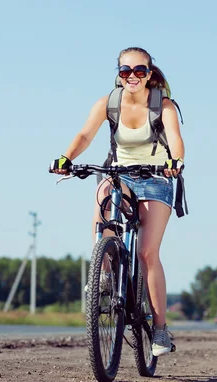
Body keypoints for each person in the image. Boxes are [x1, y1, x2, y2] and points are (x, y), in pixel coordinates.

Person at [50, 47, 185, 356]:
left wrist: (175, 160)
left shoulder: (163, 106)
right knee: (102, 201)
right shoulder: (108, 103)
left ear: (149, 74)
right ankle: (104, 276)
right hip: (120, 174)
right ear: (119, 74)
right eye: (126, 71)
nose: (133, 76)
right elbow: (85, 135)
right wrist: (66, 158)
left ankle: (160, 330)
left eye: (140, 71)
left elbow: (175, 139)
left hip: (156, 178)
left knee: (148, 253)